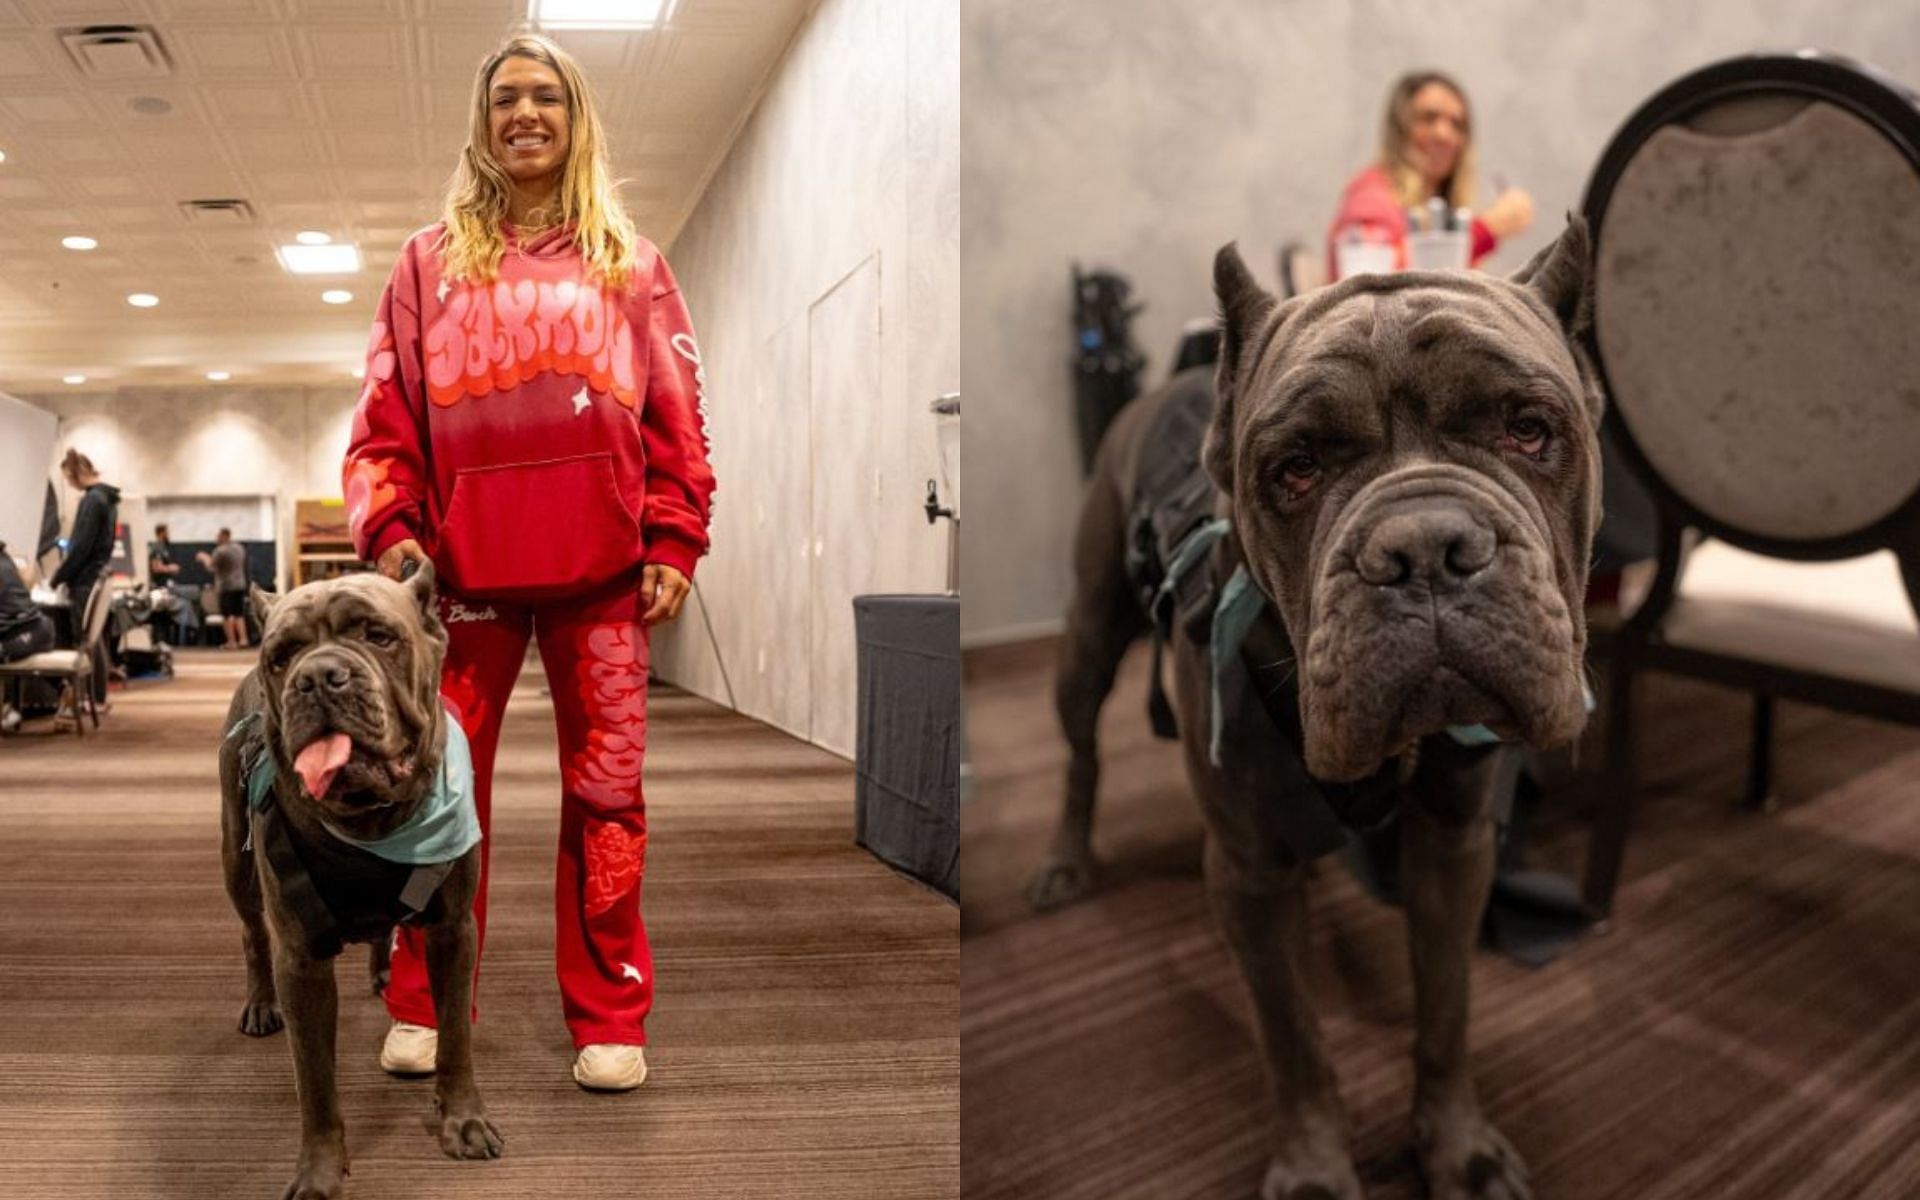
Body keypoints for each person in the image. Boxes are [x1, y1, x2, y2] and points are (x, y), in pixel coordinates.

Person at [343, 31, 715, 1093]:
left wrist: (675, 534)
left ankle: (609, 1010)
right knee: (431, 791)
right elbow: (383, 421)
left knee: (608, 799)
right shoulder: (427, 264)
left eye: (546, 96)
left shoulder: (632, 266)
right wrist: (395, 530)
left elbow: (678, 424)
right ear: (483, 122)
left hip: (601, 580)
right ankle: (420, 997)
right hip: (461, 585)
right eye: (506, 98)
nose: (525, 115)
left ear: (575, 115)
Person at [1326, 70, 1535, 277]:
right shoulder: (1370, 196)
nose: (1443, 134)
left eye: (1457, 124)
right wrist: (1485, 230)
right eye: (1428, 118)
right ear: (1400, 128)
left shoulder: (1437, 205)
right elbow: (1374, 284)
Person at [49, 449, 120, 706]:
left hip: (84, 580)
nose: (68, 483)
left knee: (83, 639)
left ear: (76, 473)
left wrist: (57, 578)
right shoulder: (107, 500)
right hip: (94, 575)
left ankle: (84, 699)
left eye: (68, 478)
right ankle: (96, 697)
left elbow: (80, 547)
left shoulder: (92, 501)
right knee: (93, 638)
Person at [1, 543, 58, 733]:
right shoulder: (5, 557)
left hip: (29, 632)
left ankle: (7, 710)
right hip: (40, 628)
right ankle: (64, 688)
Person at [196, 529, 251, 649]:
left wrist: (204, 557)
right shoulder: (239, 548)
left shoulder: (220, 551)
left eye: (218, 536)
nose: (216, 538)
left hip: (226, 586)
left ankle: (232, 641)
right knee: (239, 614)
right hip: (240, 584)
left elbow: (211, 567)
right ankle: (243, 639)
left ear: (224, 536)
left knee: (227, 615)